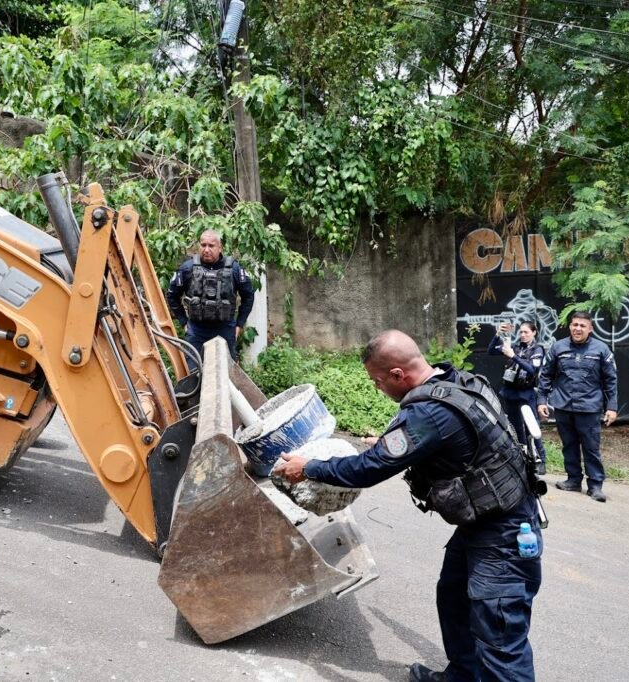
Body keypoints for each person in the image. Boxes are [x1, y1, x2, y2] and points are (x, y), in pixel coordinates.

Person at [274, 330, 543, 682]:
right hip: (486, 520)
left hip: (503, 533)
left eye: (378, 382)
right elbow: (453, 439)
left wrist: (308, 468)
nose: (378, 389)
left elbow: (368, 469)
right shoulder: (457, 380)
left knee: (500, 635)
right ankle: (463, 675)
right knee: (454, 597)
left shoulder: (428, 414)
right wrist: (395, 443)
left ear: (398, 374)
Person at [537, 310, 618, 503]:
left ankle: (595, 486)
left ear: (590, 328)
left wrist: (612, 407)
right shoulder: (558, 347)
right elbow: (545, 375)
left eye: (582, 325)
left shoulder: (601, 349)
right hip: (563, 406)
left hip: (589, 407)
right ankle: (573, 480)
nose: (578, 329)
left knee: (591, 448)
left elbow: (611, 380)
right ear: (570, 326)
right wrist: (541, 400)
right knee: (569, 446)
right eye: (575, 325)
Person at [166, 230, 254, 366]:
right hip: (196, 330)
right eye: (203, 245)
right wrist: (183, 322)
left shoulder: (235, 269)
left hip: (225, 329)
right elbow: (172, 295)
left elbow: (248, 295)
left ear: (220, 247)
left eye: (211, 246)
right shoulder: (187, 268)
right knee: (193, 373)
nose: (206, 250)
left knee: (226, 373)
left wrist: (239, 324)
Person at [488, 320, 548, 475]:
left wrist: (513, 356)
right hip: (510, 392)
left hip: (526, 393)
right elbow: (491, 351)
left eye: (526, 332)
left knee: (531, 428)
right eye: (521, 332)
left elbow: (532, 369)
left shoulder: (537, 349)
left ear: (534, 332)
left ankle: (541, 460)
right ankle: (522, 457)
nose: (523, 335)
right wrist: (498, 334)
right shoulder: (514, 346)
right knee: (515, 428)